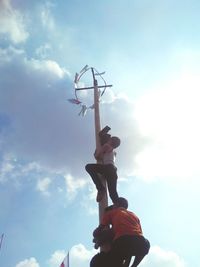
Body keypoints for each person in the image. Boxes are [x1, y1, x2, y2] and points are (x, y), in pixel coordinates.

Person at [94, 197, 150, 267]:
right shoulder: (134, 216)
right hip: (141, 243)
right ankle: (134, 265)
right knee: (144, 245)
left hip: (122, 243)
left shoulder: (111, 212)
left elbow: (97, 231)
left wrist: (96, 236)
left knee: (96, 262)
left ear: (116, 205)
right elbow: (136, 234)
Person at [85, 126, 120, 203]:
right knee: (113, 194)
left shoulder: (106, 146)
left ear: (110, 141)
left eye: (109, 140)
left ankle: (101, 189)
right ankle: (120, 208)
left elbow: (97, 156)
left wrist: (97, 151)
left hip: (108, 168)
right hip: (113, 171)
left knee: (89, 167)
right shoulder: (114, 152)